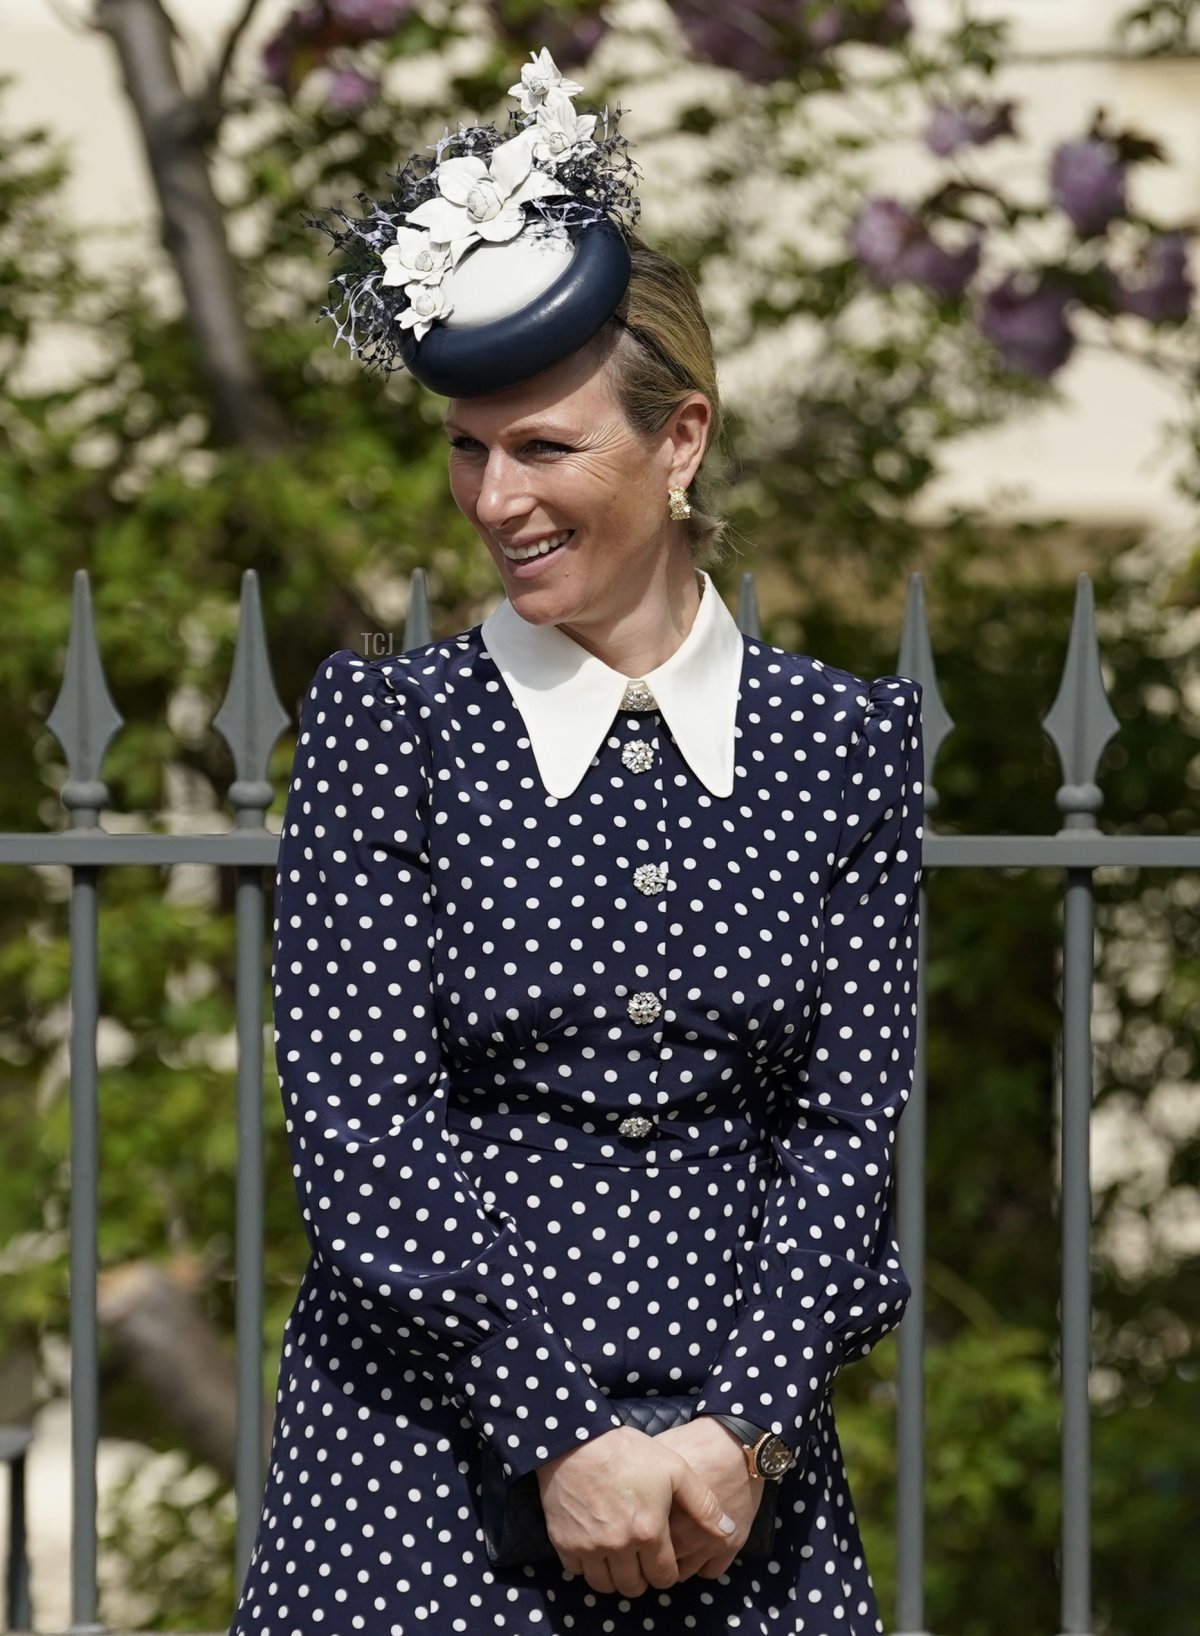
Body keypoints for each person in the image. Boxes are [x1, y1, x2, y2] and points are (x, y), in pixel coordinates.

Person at [231, 49, 923, 1636]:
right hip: (424, 1479)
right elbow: (360, 1129)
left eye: (545, 449)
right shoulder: (389, 730)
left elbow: (846, 1134)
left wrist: (736, 1439)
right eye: (470, 450)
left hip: (732, 1498)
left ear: (680, 444)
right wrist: (562, 1434)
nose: (494, 499)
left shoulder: (844, 747)